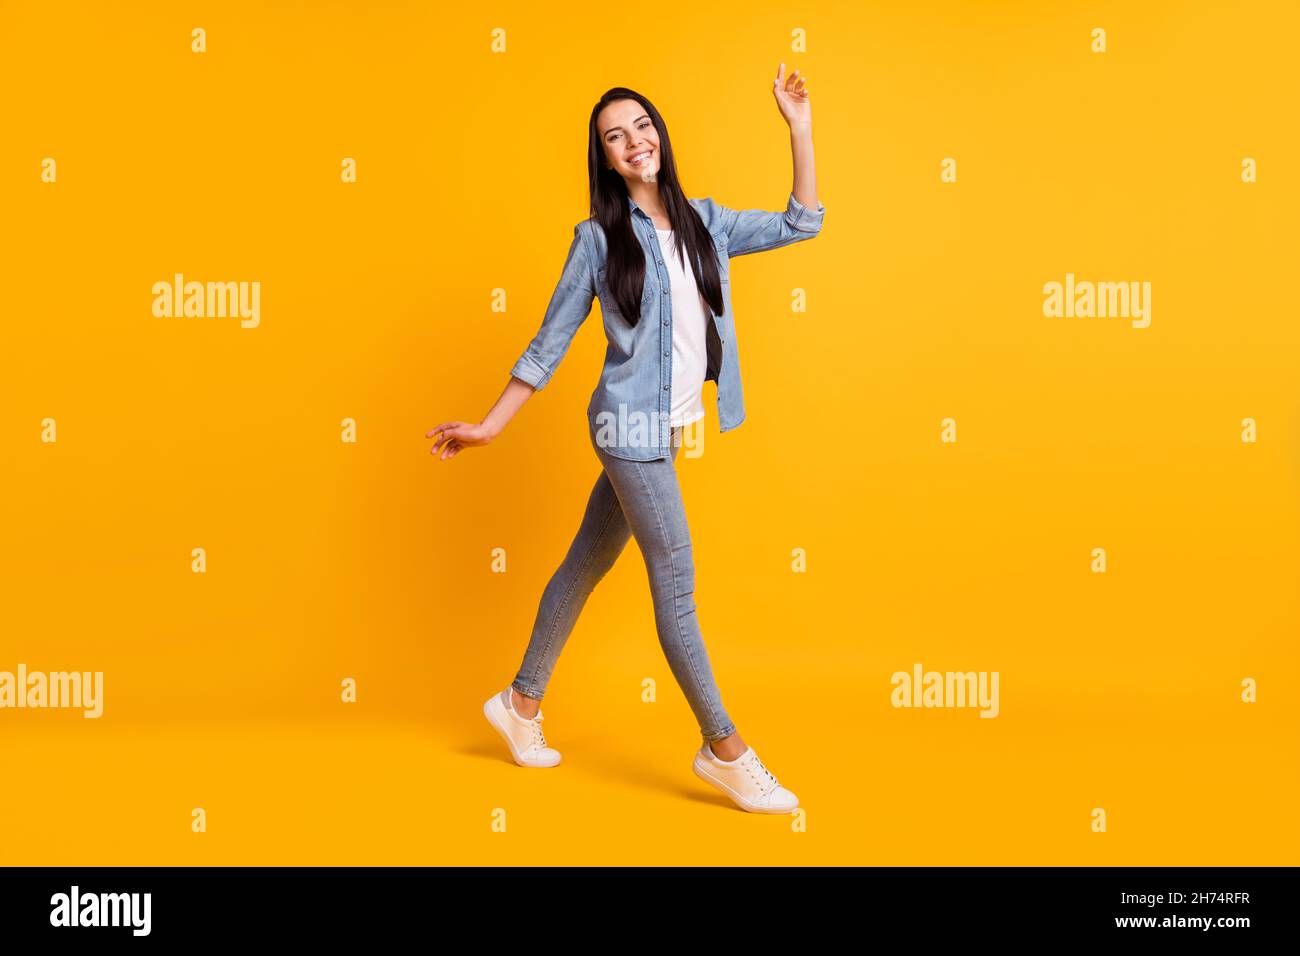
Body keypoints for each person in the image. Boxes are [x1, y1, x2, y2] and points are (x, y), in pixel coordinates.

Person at [427, 63, 825, 813]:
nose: (633, 141)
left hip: (667, 430)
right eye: (615, 136)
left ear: (660, 136)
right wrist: (489, 425)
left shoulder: (707, 221)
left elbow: (803, 222)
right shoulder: (596, 239)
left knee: (585, 562)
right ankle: (725, 750)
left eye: (641, 126)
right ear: (605, 158)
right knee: (675, 584)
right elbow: (549, 343)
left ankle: (518, 704)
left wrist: (798, 128)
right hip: (624, 427)